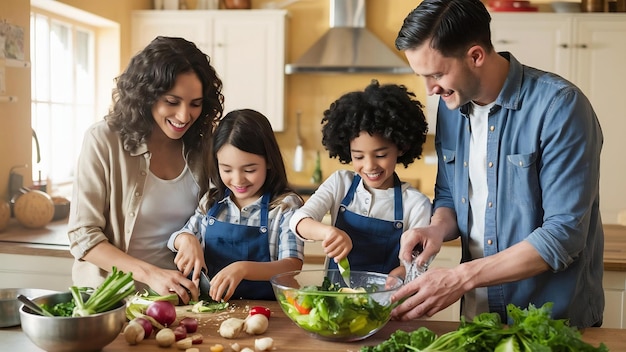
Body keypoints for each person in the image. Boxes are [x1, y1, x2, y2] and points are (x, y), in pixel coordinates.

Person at [390, 0, 604, 328]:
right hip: (478, 321)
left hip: (550, 326)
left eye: (437, 73)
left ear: (476, 56)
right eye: (422, 75)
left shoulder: (559, 107)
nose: (430, 90)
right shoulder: (451, 107)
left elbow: (563, 235)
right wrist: (436, 228)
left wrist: (461, 278)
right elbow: (449, 195)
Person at [67, 36, 224, 304]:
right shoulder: (103, 140)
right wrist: (152, 275)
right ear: (146, 96)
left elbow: (215, 216)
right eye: (172, 102)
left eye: (195, 104)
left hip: (182, 301)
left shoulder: (202, 146)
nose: (185, 116)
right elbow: (84, 237)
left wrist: (189, 237)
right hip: (110, 304)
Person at [289, 80, 432, 278]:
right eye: (358, 156)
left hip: (387, 303)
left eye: (380, 155)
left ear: (402, 147)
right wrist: (328, 233)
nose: (370, 165)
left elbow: (415, 266)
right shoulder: (340, 183)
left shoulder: (416, 204)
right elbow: (298, 220)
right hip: (336, 301)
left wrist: (395, 278)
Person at [168, 109, 305, 301]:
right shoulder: (211, 202)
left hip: (268, 310)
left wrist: (243, 268)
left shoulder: (285, 206)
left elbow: (292, 264)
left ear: (269, 162)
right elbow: (175, 238)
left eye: (249, 169)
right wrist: (186, 240)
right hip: (213, 310)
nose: (238, 180)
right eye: (227, 169)